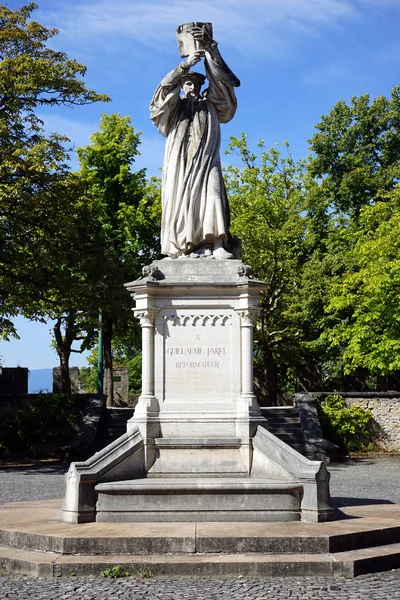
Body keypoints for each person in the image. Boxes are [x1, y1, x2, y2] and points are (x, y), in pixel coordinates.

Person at [150, 25, 240, 259]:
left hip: (207, 160)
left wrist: (211, 50)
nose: (191, 86)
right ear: (181, 86)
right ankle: (184, 246)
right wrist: (185, 65)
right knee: (181, 200)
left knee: (213, 192)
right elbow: (160, 96)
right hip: (180, 165)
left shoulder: (209, 104)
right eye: (187, 83)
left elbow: (225, 86)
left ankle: (217, 244)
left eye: (195, 83)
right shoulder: (174, 107)